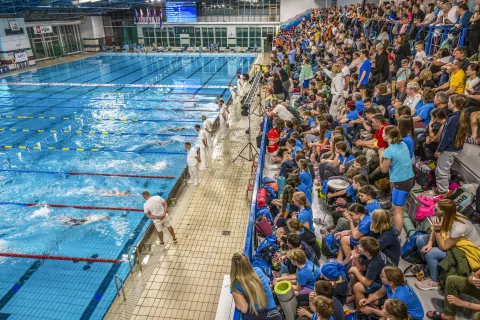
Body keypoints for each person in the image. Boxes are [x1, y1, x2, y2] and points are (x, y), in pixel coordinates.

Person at [416, 199, 480, 291]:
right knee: (421, 240)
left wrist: (438, 230)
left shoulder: (459, 227)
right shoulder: (446, 215)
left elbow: (444, 247)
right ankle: (428, 267)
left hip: (466, 252)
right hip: (452, 242)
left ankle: (435, 281)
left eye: (436, 210)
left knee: (431, 253)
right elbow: (435, 228)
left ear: (443, 213)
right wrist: (429, 243)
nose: (433, 211)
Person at [379, 126, 415, 233]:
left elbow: (384, 170)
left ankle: (397, 236)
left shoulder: (389, 151)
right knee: (400, 209)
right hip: (410, 178)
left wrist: (380, 156)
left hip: (401, 182)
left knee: (397, 212)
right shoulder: (402, 144)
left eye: (383, 133)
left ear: (388, 136)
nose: (381, 134)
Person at [434, 94, 468, 195]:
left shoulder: (454, 118)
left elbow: (447, 136)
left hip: (449, 148)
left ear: (454, 104)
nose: (447, 103)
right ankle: (442, 188)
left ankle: (443, 192)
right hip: (452, 148)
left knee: (442, 171)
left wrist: (439, 150)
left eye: (449, 101)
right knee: (444, 169)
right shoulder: (458, 116)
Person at [359, 267, 424, 320]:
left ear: (391, 282)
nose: (380, 276)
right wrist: (368, 300)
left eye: (383, 276)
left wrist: (372, 310)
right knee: (371, 298)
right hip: (393, 307)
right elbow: (380, 293)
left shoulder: (399, 297)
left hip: (410, 316)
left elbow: (386, 314)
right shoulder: (391, 284)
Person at [230, 253, 281, 320]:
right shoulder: (258, 271)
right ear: (247, 262)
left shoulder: (236, 284)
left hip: (256, 315)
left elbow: (244, 309)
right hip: (273, 313)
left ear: (234, 267)